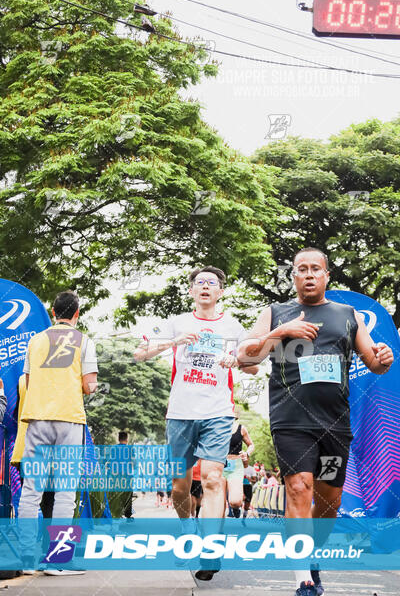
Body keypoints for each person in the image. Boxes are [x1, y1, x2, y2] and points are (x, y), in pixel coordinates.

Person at [238, 247, 394, 596]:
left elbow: (374, 362)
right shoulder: (276, 313)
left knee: (329, 501)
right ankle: (303, 579)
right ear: (293, 276)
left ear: (326, 276)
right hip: (290, 419)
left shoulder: (347, 314)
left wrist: (384, 357)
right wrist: (283, 331)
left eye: (315, 269)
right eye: (301, 269)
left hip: (334, 423)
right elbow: (243, 354)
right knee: (298, 488)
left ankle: (313, 556)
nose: (308, 275)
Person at [134, 266, 257, 581]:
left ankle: (211, 549)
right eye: (199, 283)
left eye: (211, 283)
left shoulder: (232, 326)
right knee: (180, 485)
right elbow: (139, 355)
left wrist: (239, 361)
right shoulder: (176, 323)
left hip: (218, 412)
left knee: (214, 478)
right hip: (180, 413)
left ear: (220, 292)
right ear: (191, 291)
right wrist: (172, 342)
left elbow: (254, 367)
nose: (205, 287)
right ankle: (188, 530)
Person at [18, 290, 98, 575]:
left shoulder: (35, 340)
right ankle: (58, 560)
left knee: (31, 490)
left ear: (53, 312)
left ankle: (27, 558)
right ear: (76, 314)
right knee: (65, 490)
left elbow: (27, 380)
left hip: (36, 418)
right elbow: (89, 386)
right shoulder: (84, 341)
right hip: (68, 419)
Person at [222, 410, 254, 518]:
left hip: (235, 464)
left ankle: (236, 508)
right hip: (219, 463)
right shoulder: (216, 427)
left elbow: (251, 445)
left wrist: (247, 453)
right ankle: (217, 529)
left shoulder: (241, 428)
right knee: (219, 500)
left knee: (235, 501)